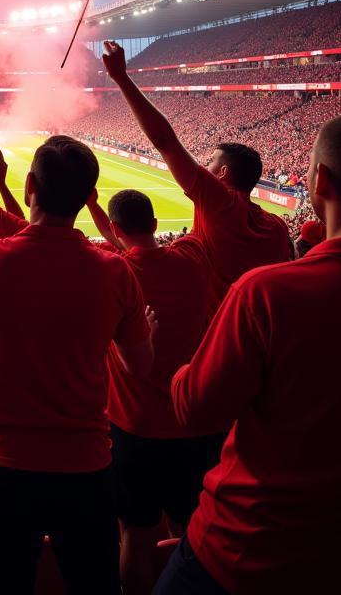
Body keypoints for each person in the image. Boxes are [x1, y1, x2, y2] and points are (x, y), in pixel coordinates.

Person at [155, 112, 341, 595]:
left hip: (248, 554)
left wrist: (173, 361)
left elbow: (193, 410)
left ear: (320, 180)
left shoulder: (267, 292)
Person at [0, 135, 156, 595]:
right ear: (87, 198)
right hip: (87, 467)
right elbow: (141, 366)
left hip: (2, 464)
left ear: (29, 185)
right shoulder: (116, 271)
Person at [101, 40, 291, 301]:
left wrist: (121, 78)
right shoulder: (278, 227)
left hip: (212, 329)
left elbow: (165, 142)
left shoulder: (221, 205)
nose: (204, 164)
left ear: (223, 173)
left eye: (210, 161)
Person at [102, 190, 223, 595]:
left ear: (116, 230)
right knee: (192, 529)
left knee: (134, 537)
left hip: (133, 431)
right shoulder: (193, 258)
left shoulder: (113, 274)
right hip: (192, 421)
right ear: (155, 225)